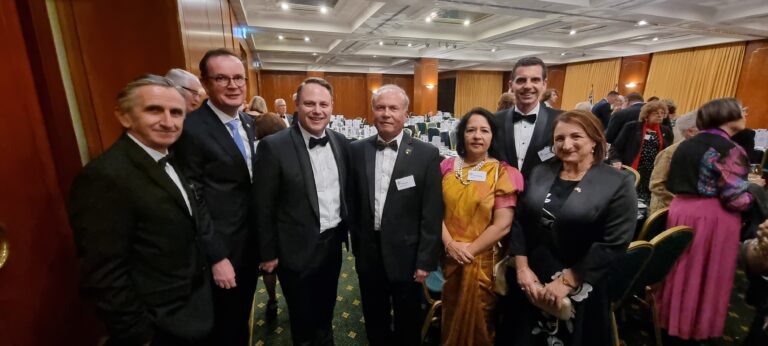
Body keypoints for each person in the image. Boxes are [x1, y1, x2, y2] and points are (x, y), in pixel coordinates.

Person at [68, 75, 213, 345]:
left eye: (176, 113)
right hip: (155, 322)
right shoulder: (106, 177)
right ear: (124, 117)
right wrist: (138, 335)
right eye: (154, 110)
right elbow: (104, 273)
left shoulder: (166, 156)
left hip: (189, 308)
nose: (168, 121)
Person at [508, 109, 637, 345]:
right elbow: (520, 221)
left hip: (581, 281)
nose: (567, 144)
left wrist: (567, 281)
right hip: (532, 279)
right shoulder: (540, 172)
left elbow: (614, 242)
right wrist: (522, 267)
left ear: (595, 141)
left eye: (576, 137)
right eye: (559, 139)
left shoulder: (617, 182)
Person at [253, 77, 350, 346]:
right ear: (296, 105)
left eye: (323, 104)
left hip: (332, 246)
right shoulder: (274, 146)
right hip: (295, 249)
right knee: (302, 318)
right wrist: (268, 253)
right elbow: (262, 205)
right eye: (309, 103)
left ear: (332, 107)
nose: (317, 110)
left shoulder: (340, 141)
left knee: (326, 308)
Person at [172, 48, 257, 345]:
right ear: (205, 83)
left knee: (240, 316)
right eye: (222, 78)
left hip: (248, 244)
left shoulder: (246, 122)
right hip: (221, 250)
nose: (233, 85)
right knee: (223, 326)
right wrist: (217, 255)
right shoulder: (192, 129)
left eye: (238, 78)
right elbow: (193, 199)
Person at [347, 84, 443, 345]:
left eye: (393, 108)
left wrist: (426, 260)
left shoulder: (426, 154)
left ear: (406, 114)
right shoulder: (356, 150)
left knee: (408, 319)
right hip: (369, 251)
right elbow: (352, 202)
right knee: (373, 314)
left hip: (408, 254)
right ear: (372, 112)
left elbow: (432, 212)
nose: (386, 113)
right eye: (380, 107)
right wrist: (356, 244)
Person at [658, 98, 755, 343]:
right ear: (726, 116)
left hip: (680, 209)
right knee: (705, 273)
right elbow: (735, 198)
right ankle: (694, 325)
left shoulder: (685, 145)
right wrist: (754, 195)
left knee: (680, 269)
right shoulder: (731, 149)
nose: (745, 114)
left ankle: (673, 320)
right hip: (713, 216)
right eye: (740, 110)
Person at [440, 107, 522, 345]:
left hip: (483, 260)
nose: (477, 136)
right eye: (471, 130)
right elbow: (434, 212)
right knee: (451, 312)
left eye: (484, 131)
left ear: (493, 136)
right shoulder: (446, 167)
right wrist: (450, 245)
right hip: (449, 255)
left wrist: (468, 251)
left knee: (481, 319)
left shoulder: (502, 172)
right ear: (462, 135)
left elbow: (503, 225)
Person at [494, 56, 562, 178]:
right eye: (521, 80)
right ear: (511, 85)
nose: (528, 86)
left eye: (535, 80)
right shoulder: (495, 121)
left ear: (544, 84)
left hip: (543, 194)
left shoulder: (560, 120)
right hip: (501, 193)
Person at [609, 100, 674, 201]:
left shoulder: (666, 132)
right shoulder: (632, 127)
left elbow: (668, 152)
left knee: (646, 201)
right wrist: (615, 160)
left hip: (652, 173)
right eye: (656, 113)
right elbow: (615, 147)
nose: (660, 116)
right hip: (633, 170)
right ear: (646, 114)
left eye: (662, 113)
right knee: (627, 198)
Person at [648, 111, 698, 214]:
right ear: (691, 131)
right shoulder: (669, 153)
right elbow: (656, 185)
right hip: (664, 210)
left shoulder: (700, 151)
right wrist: (680, 205)